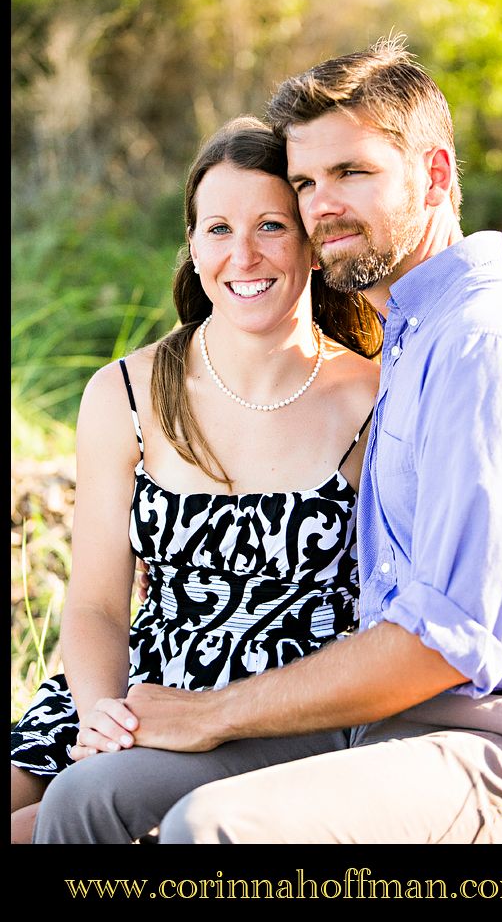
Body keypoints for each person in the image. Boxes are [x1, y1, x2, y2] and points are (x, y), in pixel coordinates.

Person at [33, 34, 502, 846]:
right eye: (306, 180)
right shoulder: (413, 335)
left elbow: (445, 643)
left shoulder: (487, 340)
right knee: (86, 800)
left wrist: (215, 712)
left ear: (436, 174)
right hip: (394, 718)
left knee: (213, 823)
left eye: (352, 173)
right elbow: (94, 601)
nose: (321, 204)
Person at [10, 115, 381, 844]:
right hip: (130, 686)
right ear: (192, 244)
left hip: (267, 710)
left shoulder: (371, 397)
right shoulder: (126, 390)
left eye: (271, 225)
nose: (242, 254)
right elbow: (93, 604)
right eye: (217, 229)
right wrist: (100, 714)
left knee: (36, 828)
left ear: (310, 242)